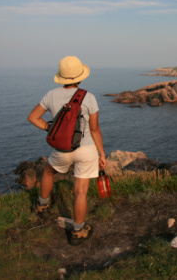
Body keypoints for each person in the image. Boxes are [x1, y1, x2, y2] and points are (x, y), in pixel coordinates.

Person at [28, 56, 107, 246]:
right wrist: (102, 154)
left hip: (62, 149)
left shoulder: (51, 95)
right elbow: (95, 129)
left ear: (62, 77)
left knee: (48, 171)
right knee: (80, 191)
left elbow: (33, 117)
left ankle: (42, 205)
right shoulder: (88, 97)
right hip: (86, 149)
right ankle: (78, 232)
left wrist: (51, 129)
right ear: (80, 76)